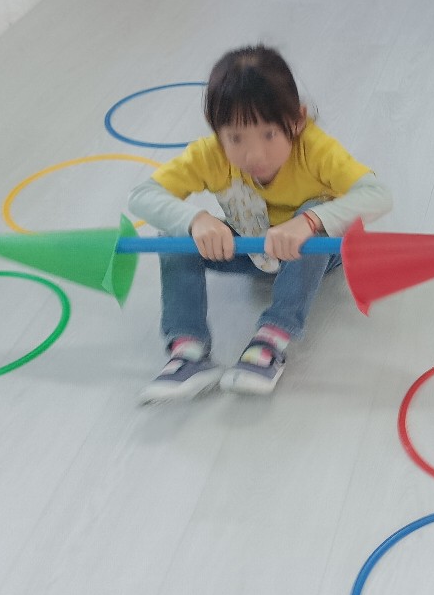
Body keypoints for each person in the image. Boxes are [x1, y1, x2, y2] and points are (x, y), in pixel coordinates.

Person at [128, 44, 393, 401]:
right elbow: (142, 195)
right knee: (173, 237)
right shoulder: (211, 154)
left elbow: (378, 195)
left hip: (315, 254)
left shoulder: (314, 148)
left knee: (312, 221)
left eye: (269, 135)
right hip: (252, 245)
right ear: (217, 130)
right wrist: (195, 220)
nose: (254, 155)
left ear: (297, 120)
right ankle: (189, 351)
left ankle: (271, 340)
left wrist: (310, 221)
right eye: (236, 138)